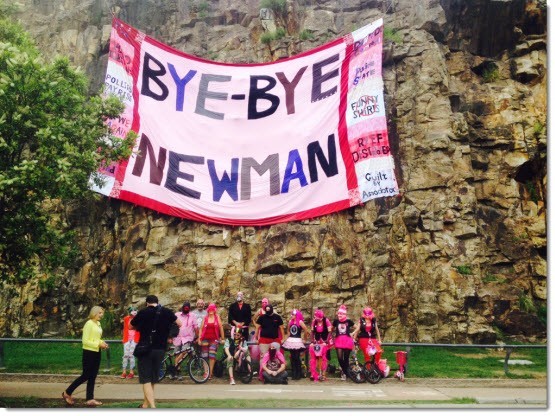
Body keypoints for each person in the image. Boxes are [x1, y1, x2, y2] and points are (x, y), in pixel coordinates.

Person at [130, 295, 182, 409]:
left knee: (145, 379)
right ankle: (145, 405)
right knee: (152, 379)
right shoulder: (166, 311)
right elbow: (179, 323)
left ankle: (153, 407)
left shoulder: (143, 312)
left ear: (147, 303)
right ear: (157, 302)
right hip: (160, 349)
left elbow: (130, 326)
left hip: (146, 348)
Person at [62, 306, 109, 407]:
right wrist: (98, 344)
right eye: (100, 313)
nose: (102, 315)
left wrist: (102, 343)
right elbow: (85, 341)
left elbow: (96, 338)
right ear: (94, 313)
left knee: (93, 376)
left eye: (102, 313)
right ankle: (67, 392)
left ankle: (90, 399)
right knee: (86, 375)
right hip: (89, 353)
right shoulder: (89, 323)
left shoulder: (98, 324)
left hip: (97, 352)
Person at [171, 301, 198, 380]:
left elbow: (196, 327)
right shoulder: (177, 315)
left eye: (187, 308)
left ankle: (174, 368)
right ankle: (178, 372)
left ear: (189, 309)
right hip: (177, 337)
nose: (186, 309)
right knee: (177, 354)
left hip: (187, 338)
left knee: (184, 351)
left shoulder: (193, 316)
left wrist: (198, 337)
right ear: (182, 308)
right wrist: (170, 337)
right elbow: (171, 325)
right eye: (185, 308)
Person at [198, 303, 225, 380]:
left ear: (214, 310)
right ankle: (206, 372)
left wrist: (222, 338)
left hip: (214, 339)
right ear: (208, 310)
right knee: (205, 355)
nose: (211, 311)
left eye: (212, 309)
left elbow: (221, 327)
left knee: (212, 355)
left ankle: (210, 372)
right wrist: (199, 338)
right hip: (205, 338)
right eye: (210, 309)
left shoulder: (217, 317)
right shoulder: (205, 318)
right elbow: (201, 328)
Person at [282, 308, 308, 380]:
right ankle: (293, 373)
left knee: (296, 357)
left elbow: (305, 330)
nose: (291, 315)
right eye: (291, 314)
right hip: (291, 340)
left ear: (296, 315)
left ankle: (298, 373)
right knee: (292, 357)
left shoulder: (300, 322)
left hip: (297, 341)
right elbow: (288, 331)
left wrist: (305, 339)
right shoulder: (290, 321)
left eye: (293, 314)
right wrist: (285, 339)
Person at [331, 304, 355, 381]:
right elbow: (331, 329)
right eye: (339, 313)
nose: (340, 315)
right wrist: (332, 336)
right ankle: (346, 372)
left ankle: (345, 374)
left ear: (344, 314)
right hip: (339, 340)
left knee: (346, 358)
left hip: (347, 340)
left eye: (341, 314)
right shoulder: (336, 321)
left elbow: (357, 327)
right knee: (340, 358)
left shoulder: (348, 321)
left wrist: (353, 333)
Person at [308, 308, 332, 382]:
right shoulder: (314, 321)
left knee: (324, 358)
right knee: (316, 356)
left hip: (325, 340)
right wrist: (312, 341)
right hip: (317, 341)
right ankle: (314, 373)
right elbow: (312, 332)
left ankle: (323, 374)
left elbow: (330, 332)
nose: (316, 319)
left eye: (317, 318)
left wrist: (326, 341)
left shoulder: (326, 321)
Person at [121, 306, 140, 379]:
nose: (134, 312)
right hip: (127, 338)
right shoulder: (126, 318)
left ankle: (131, 372)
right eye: (132, 311)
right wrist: (123, 338)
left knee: (131, 355)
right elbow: (125, 328)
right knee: (126, 355)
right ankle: (124, 371)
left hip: (135, 339)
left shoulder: (138, 319)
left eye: (135, 310)